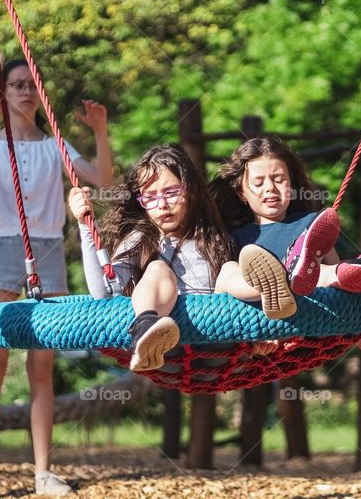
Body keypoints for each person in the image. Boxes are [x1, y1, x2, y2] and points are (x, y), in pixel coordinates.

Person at [0, 59, 113, 499]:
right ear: (4, 92)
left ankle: (44, 471)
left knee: (41, 367)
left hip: (46, 249)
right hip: (2, 245)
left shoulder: (56, 147)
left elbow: (104, 180)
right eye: (16, 85)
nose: (25, 92)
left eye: (31, 85)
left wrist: (101, 132)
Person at [68, 144, 291, 371]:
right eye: (150, 197)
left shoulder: (214, 235)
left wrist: (262, 329)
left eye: (171, 192)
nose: (162, 204)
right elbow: (103, 292)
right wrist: (86, 226)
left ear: (191, 191)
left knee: (229, 270)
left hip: (222, 346)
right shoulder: (142, 238)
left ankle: (267, 293)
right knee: (157, 268)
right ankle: (146, 326)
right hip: (167, 352)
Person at [214, 136, 361, 350]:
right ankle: (274, 285)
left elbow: (334, 285)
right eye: (258, 182)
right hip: (257, 320)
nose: (270, 188)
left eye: (279, 179)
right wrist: (250, 334)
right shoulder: (235, 235)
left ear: (292, 184)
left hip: (307, 313)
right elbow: (221, 295)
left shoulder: (312, 225)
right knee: (228, 270)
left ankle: (356, 274)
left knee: (323, 272)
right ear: (241, 194)